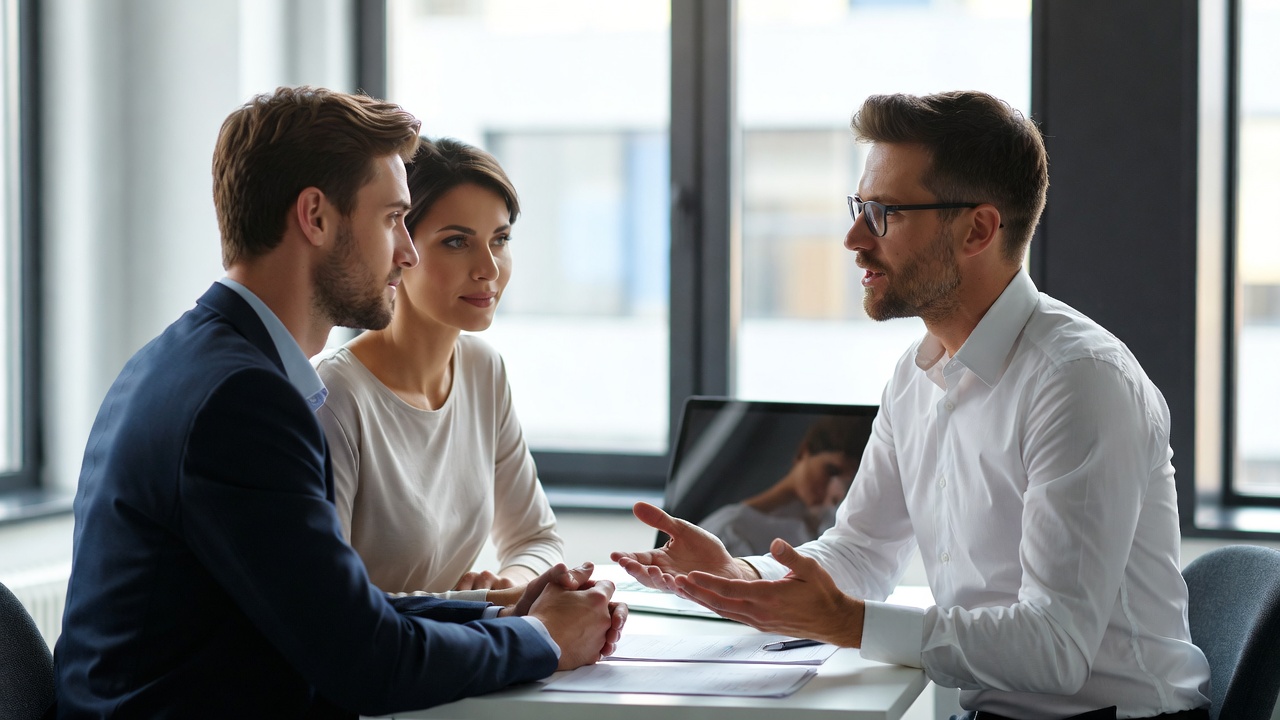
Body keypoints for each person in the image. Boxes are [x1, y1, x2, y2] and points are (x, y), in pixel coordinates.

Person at [612, 90, 1212, 720]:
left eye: (882, 213)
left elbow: (1056, 649)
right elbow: (862, 551)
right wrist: (744, 576)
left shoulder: (1079, 381)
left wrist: (851, 623)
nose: (852, 238)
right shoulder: (916, 374)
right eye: (858, 208)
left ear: (977, 229)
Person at [53, 86, 624, 719]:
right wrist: (541, 640)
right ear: (316, 217)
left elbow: (335, 611)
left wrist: (502, 609)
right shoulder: (245, 401)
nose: (405, 252)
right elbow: (367, 661)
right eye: (391, 220)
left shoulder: (191, 359)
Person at [313, 137, 561, 598]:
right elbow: (328, 607)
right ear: (399, 244)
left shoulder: (482, 370)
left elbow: (537, 539)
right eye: (456, 242)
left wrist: (513, 582)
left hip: (456, 650)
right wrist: (478, 606)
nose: (489, 268)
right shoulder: (334, 395)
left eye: (500, 240)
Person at [700, 416, 865, 556]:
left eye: (847, 481)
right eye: (832, 470)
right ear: (803, 452)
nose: (837, 491)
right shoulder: (729, 530)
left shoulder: (833, 525)